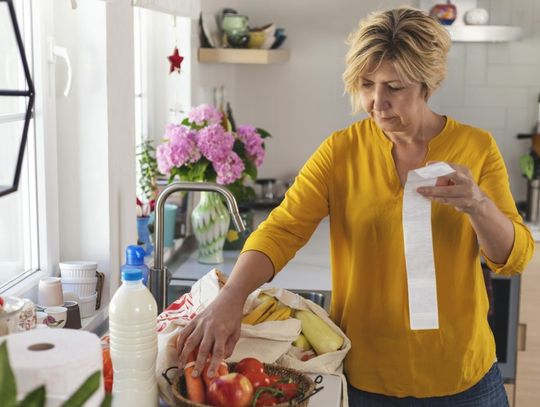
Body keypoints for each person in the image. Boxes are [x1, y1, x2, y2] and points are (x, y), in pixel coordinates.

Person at [176, 6, 534, 406]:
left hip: (464, 377)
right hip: (366, 380)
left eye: (393, 87)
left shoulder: (476, 148)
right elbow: (284, 228)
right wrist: (232, 296)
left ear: (426, 84)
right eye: (366, 84)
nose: (377, 103)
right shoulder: (341, 151)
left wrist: (478, 205)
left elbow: (514, 257)